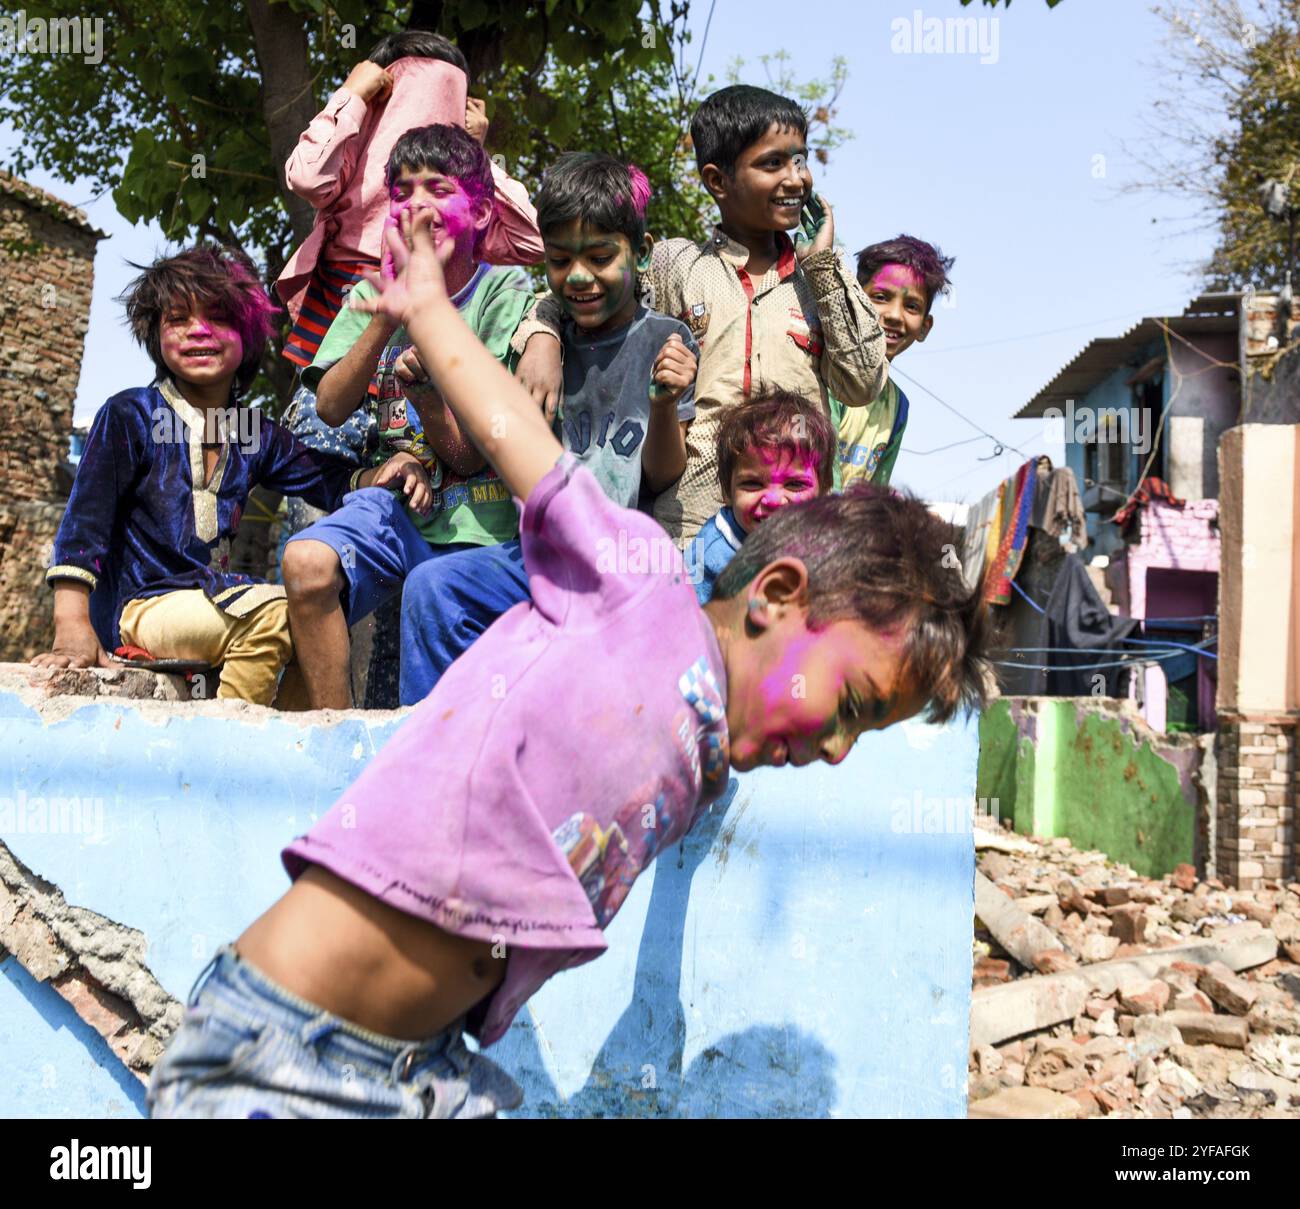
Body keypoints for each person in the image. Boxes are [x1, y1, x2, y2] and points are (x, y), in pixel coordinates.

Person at [146, 207, 991, 1120]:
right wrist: (428, 307)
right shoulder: (642, 592)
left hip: (425, 1067)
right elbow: (529, 451)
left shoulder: (706, 758)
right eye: (849, 705)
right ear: (778, 597)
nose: (835, 747)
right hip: (289, 1051)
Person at [32, 245, 413, 706]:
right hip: (140, 607)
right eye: (178, 319)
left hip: (217, 601)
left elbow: (329, 481)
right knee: (277, 615)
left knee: (311, 619)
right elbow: (83, 526)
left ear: (248, 334)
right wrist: (72, 626)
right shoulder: (130, 414)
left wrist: (387, 470)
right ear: (155, 334)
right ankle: (235, 762)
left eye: (219, 317)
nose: (199, 331)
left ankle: (303, 758)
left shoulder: (252, 431)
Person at [511, 83, 887, 545]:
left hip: (793, 520)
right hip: (689, 521)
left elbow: (863, 382)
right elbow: (590, 295)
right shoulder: (677, 265)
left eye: (801, 160)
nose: (797, 179)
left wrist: (823, 267)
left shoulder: (820, 276)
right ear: (717, 181)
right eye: (773, 163)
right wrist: (542, 333)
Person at [397, 152, 698, 705]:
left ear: (642, 253)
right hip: (535, 556)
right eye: (560, 261)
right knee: (433, 588)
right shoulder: (533, 336)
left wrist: (663, 404)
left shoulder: (666, 340)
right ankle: (428, 739)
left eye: (602, 257)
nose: (579, 277)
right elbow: (487, 442)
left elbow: (661, 475)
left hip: (624, 566)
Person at [281, 123, 535, 710]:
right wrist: (384, 318)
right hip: (398, 517)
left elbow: (474, 456)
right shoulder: (369, 291)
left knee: (432, 597)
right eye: (402, 191)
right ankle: (336, 736)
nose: (416, 203)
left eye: (438, 188)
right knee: (307, 562)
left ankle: (423, 764)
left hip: (484, 533)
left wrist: (424, 392)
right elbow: (331, 405)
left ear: (479, 212)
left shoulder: (505, 294)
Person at [687, 388, 835, 605]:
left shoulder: (827, 543)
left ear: (823, 492)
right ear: (727, 491)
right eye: (753, 484)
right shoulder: (712, 555)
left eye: (794, 484)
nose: (774, 500)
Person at [832, 235, 954, 490]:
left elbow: (874, 493)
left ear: (924, 327)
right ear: (853, 300)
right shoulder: (828, 376)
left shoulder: (898, 407)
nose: (895, 316)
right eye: (880, 297)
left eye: (911, 306)